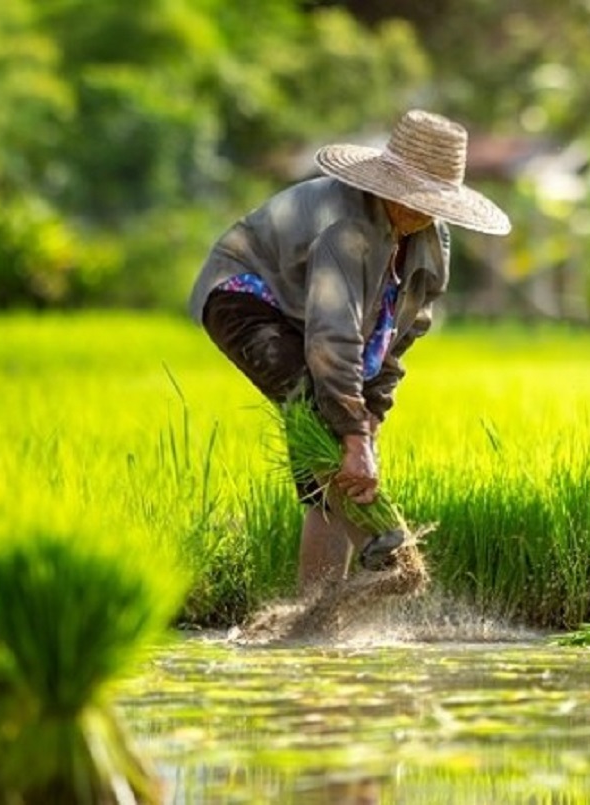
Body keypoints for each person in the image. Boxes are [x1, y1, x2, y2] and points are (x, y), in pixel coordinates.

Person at [189, 109, 511, 594]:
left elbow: (400, 335)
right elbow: (331, 337)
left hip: (314, 320)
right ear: (386, 184)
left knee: (331, 451)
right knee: (319, 412)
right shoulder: (346, 228)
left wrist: (371, 416)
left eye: (431, 201)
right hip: (247, 295)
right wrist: (354, 436)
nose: (419, 209)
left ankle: (316, 609)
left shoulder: (429, 240)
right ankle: (383, 543)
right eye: (410, 196)